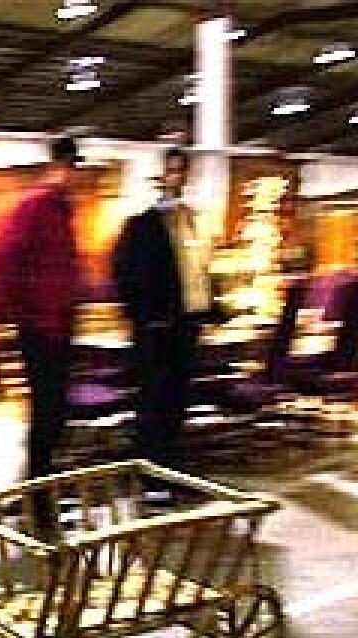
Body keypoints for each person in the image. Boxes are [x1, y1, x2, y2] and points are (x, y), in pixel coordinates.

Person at [0, 136, 89, 494]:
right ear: (55, 168)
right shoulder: (35, 207)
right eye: (69, 168)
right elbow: (5, 260)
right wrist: (7, 316)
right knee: (47, 410)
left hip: (59, 326)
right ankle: (37, 488)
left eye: (76, 169)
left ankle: (41, 480)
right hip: (39, 327)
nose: (73, 176)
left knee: (54, 409)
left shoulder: (63, 211)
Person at [111, 145, 218, 470]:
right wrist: (148, 318)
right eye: (172, 170)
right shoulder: (143, 225)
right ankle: (151, 470)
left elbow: (198, 271)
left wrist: (210, 309)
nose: (177, 177)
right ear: (162, 176)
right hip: (157, 331)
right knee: (154, 401)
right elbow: (125, 274)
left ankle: (171, 465)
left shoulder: (192, 222)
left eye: (182, 170)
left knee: (177, 400)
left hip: (187, 326)